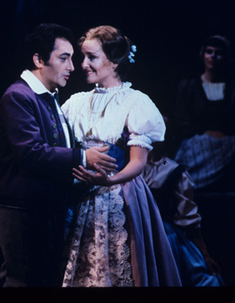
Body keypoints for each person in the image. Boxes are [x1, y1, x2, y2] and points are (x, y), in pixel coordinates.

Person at [0, 23, 117, 287]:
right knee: (22, 281)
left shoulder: (49, 97)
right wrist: (84, 157)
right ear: (39, 59)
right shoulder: (18, 96)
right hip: (21, 209)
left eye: (72, 58)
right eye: (64, 58)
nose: (72, 67)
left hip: (44, 207)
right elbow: (31, 153)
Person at [61, 25, 181, 287]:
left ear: (114, 61)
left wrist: (108, 181)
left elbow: (139, 162)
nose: (83, 64)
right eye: (83, 57)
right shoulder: (76, 102)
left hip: (119, 194)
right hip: (79, 195)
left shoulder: (135, 102)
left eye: (91, 57)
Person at [142, 117, 224, 286]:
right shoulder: (132, 163)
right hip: (134, 229)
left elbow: (190, 220)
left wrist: (205, 255)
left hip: (162, 234)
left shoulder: (172, 169)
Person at [173, 35, 235, 192]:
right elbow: (181, 119)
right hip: (197, 142)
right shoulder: (188, 86)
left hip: (228, 143)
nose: (213, 56)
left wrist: (225, 133)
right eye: (209, 52)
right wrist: (203, 133)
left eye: (218, 53)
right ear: (203, 55)